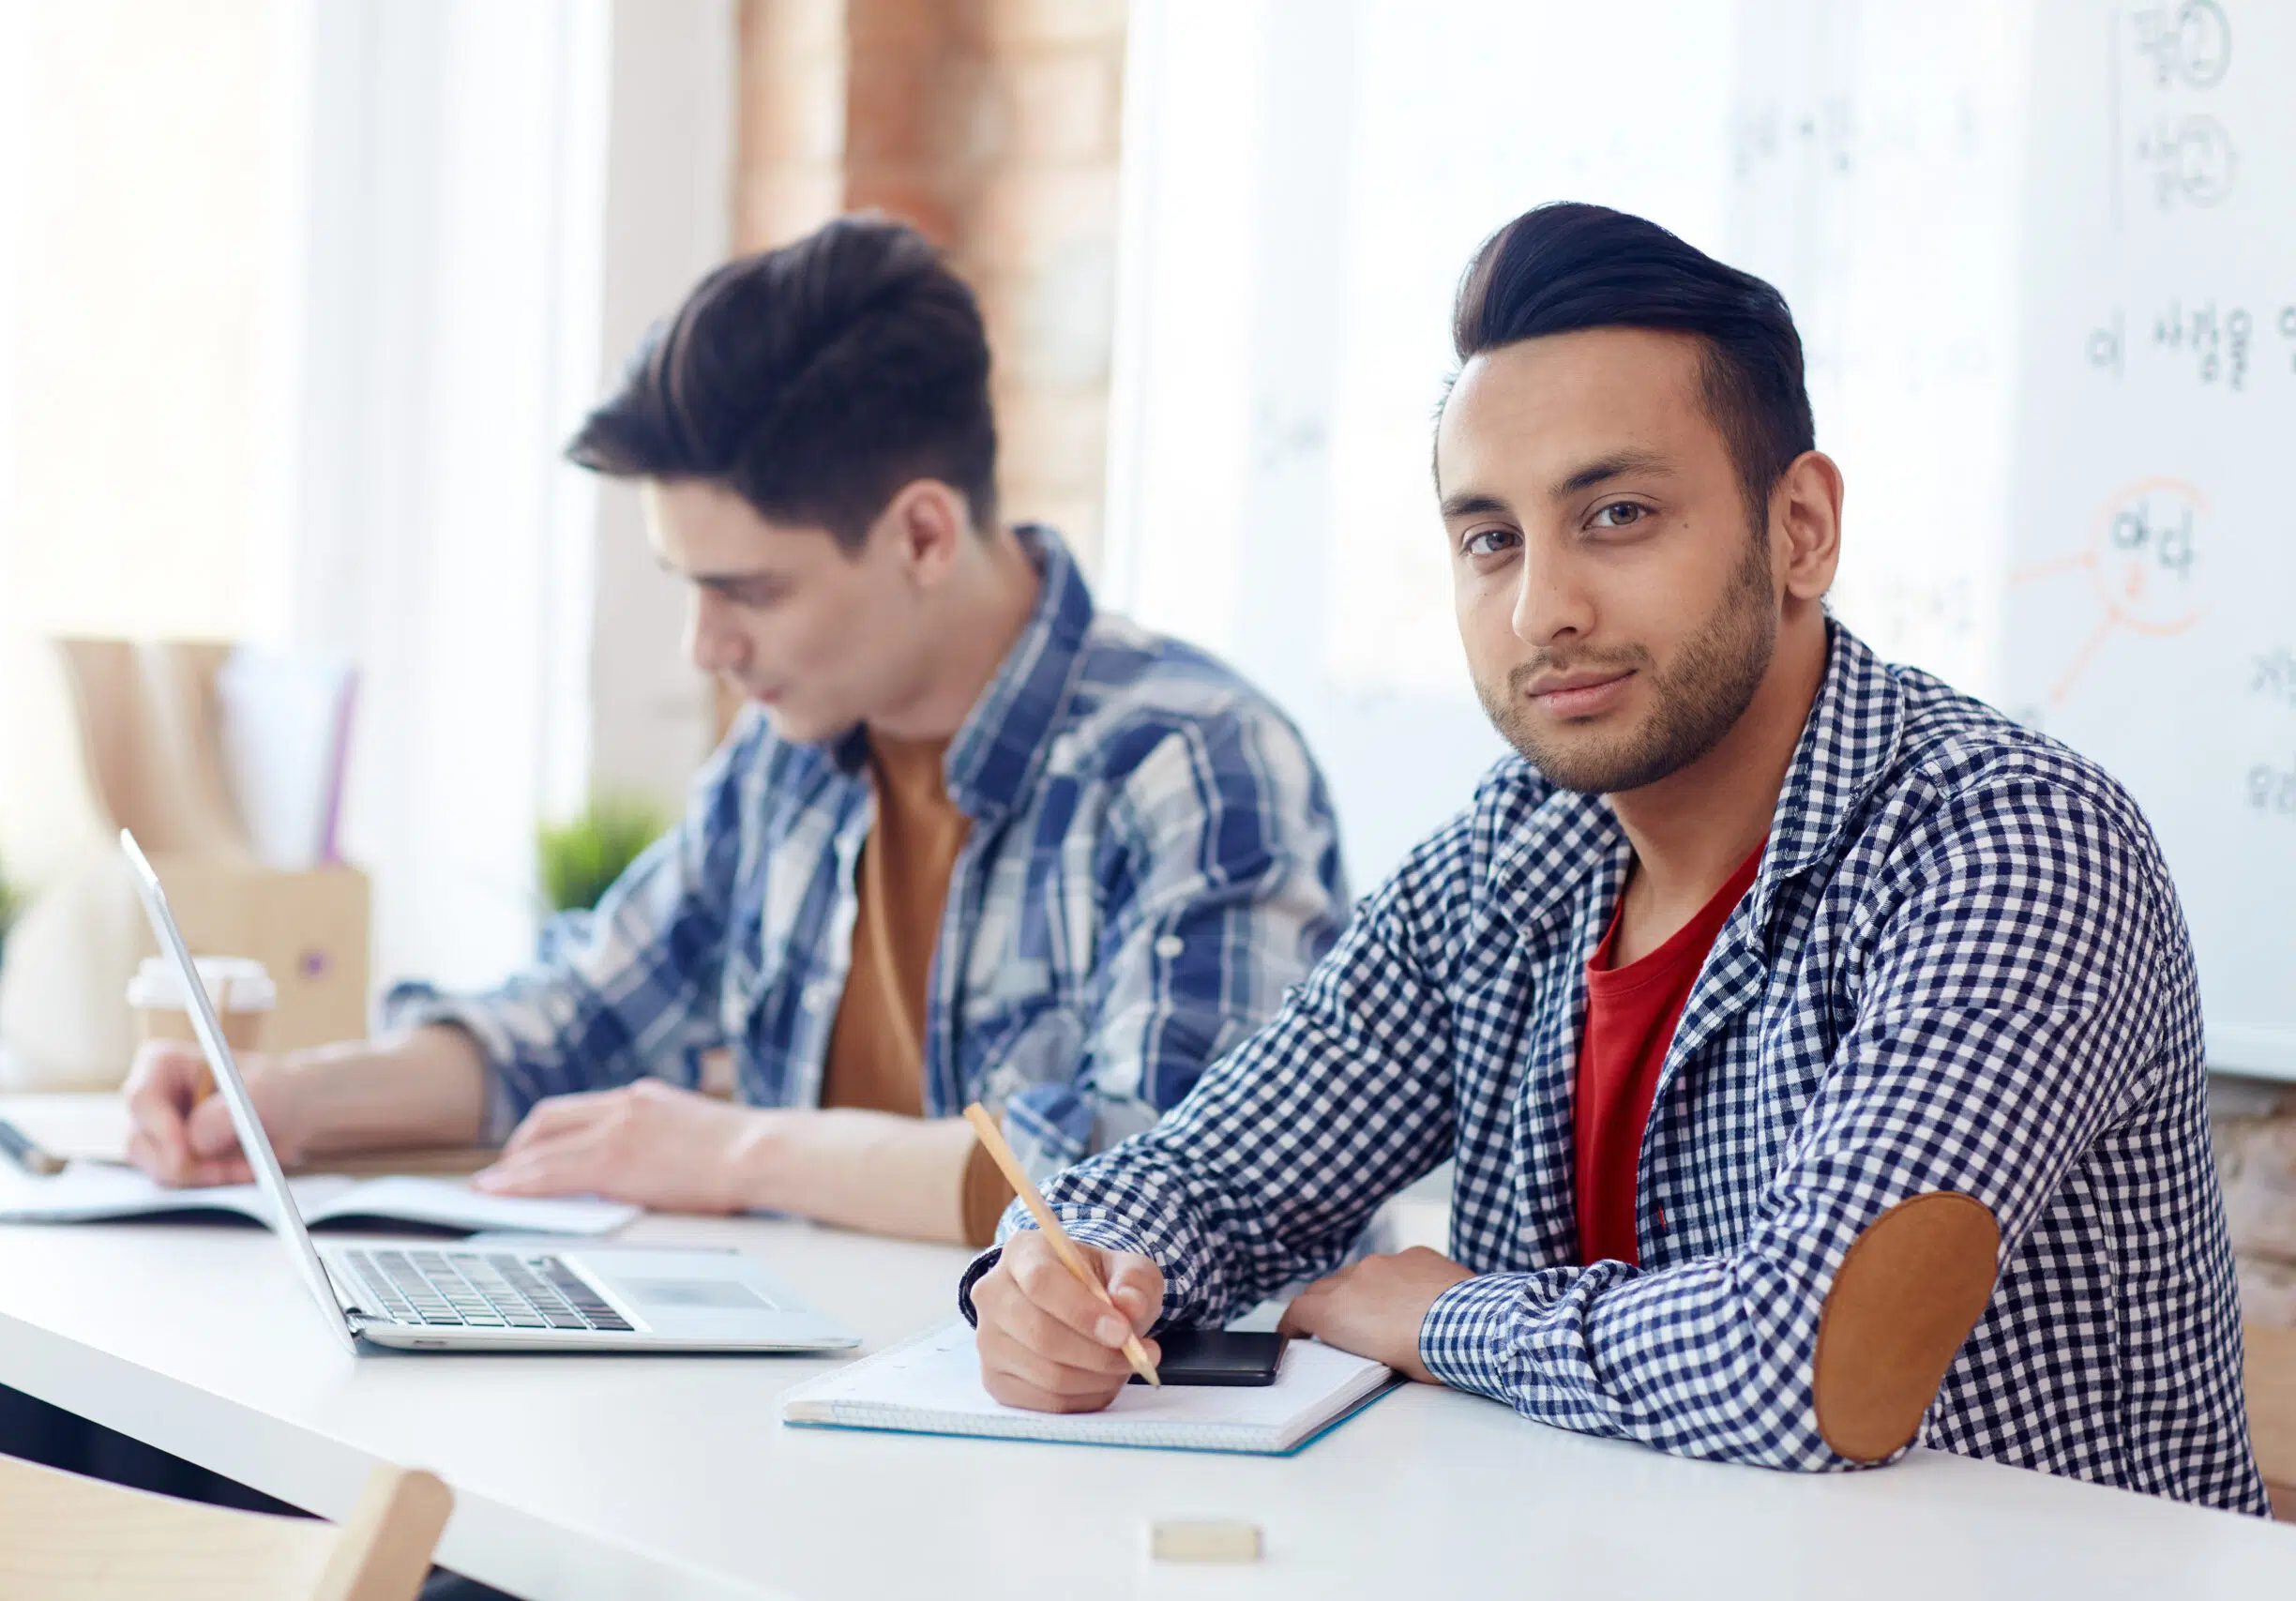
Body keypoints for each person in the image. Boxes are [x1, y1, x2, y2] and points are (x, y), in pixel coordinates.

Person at [960, 202, 2268, 1513]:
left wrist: (1445, 1313)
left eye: (1619, 513)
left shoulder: (2013, 843)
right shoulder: (1512, 847)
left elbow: (1805, 1360)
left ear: (1801, 527)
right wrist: (1059, 1273)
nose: (1542, 608)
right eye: (1491, 540)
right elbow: (1215, 1170)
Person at [123, 215, 1348, 1249]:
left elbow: (1160, 1179)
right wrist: (283, 1101)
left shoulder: (1191, 765)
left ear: (923, 534)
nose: (703, 647)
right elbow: (574, 1019)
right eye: (687, 585)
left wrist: (744, 1149)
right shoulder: (790, 759)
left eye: (748, 591)